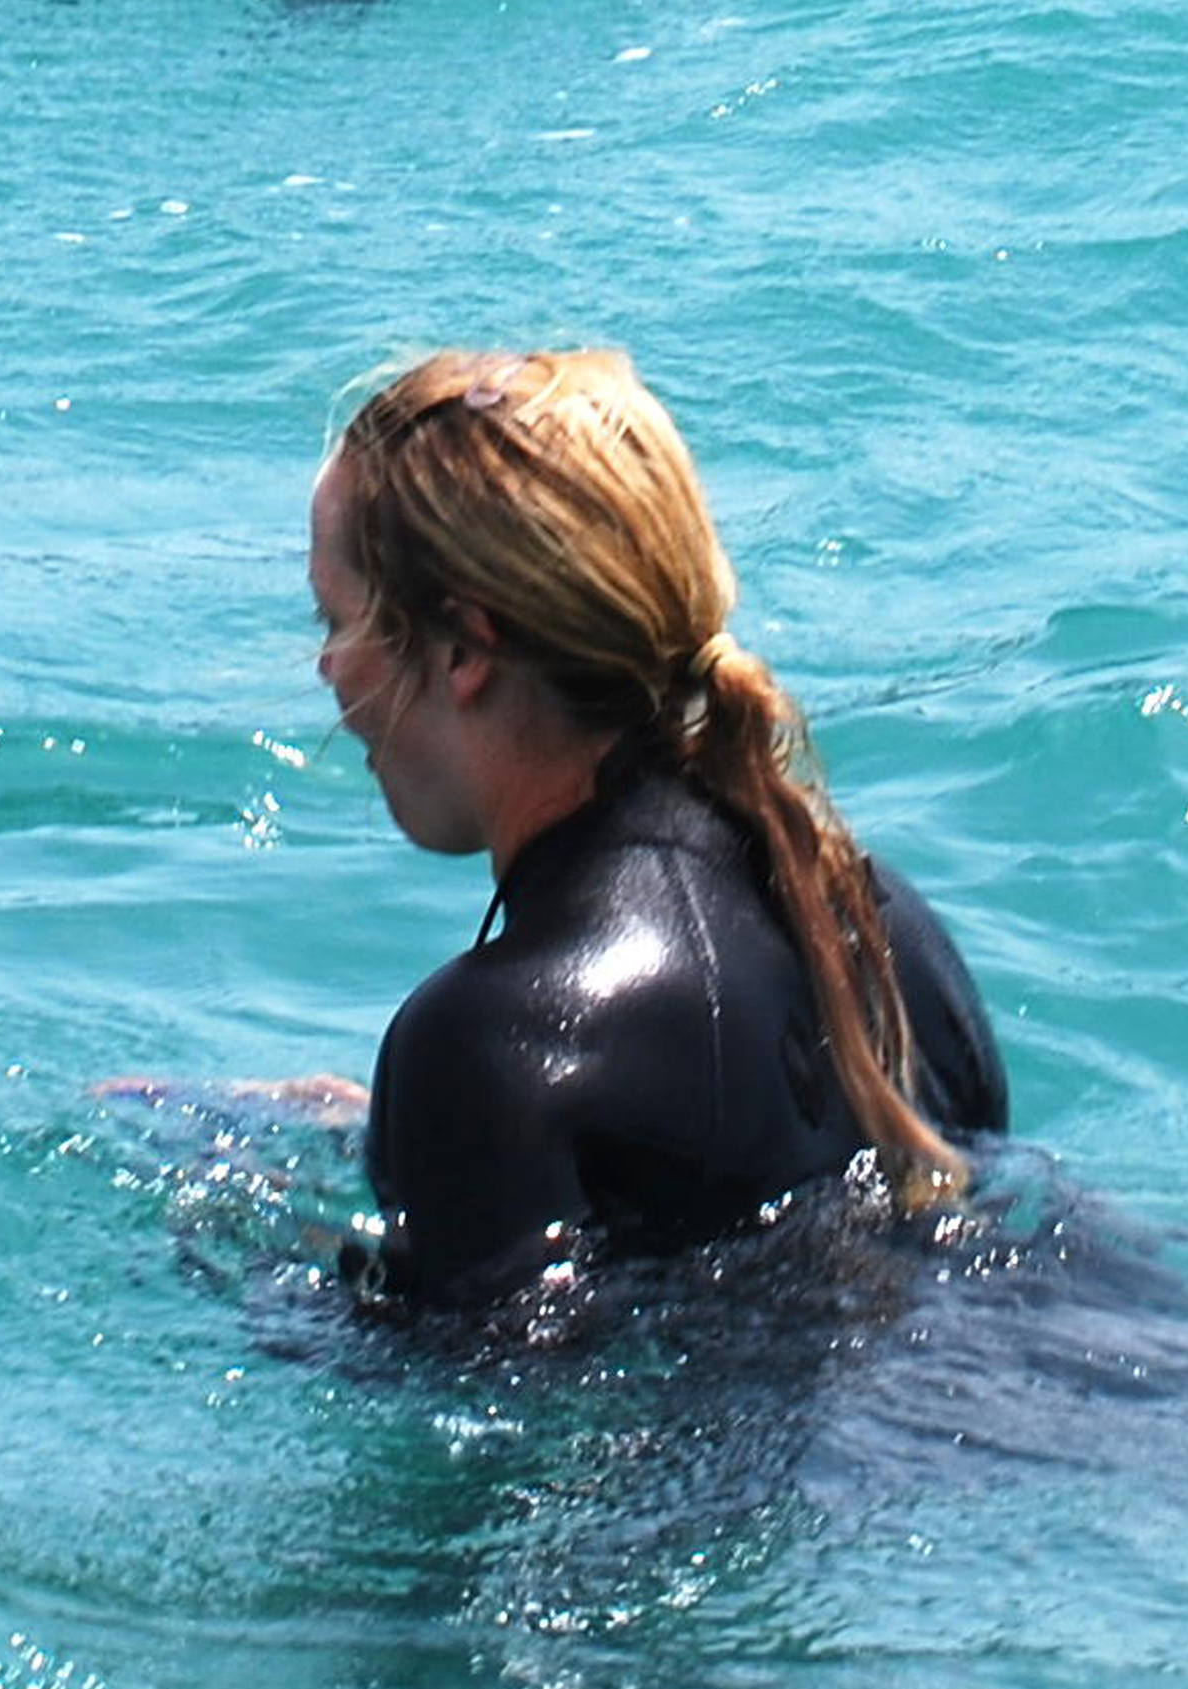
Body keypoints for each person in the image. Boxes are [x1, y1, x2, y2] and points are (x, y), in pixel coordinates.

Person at [299, 348, 1007, 1311]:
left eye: (334, 622)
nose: (327, 670)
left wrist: (236, 1237)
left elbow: (474, 1395)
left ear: (465, 646)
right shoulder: (880, 930)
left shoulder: (491, 1043)